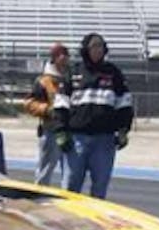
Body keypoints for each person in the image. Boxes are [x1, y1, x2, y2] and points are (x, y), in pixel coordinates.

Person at [59, 32, 133, 199]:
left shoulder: (114, 73)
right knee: (70, 187)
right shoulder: (73, 72)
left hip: (104, 140)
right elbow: (61, 104)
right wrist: (60, 132)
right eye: (94, 46)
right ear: (86, 49)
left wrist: (123, 130)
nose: (98, 49)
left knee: (100, 188)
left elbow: (124, 104)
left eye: (101, 46)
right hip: (76, 139)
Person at [23, 43, 72, 186]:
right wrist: (47, 109)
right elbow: (29, 103)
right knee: (45, 170)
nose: (64, 58)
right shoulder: (44, 81)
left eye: (66, 55)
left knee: (70, 172)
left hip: (70, 129)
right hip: (51, 129)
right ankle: (39, 195)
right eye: (60, 55)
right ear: (54, 58)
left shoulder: (71, 79)